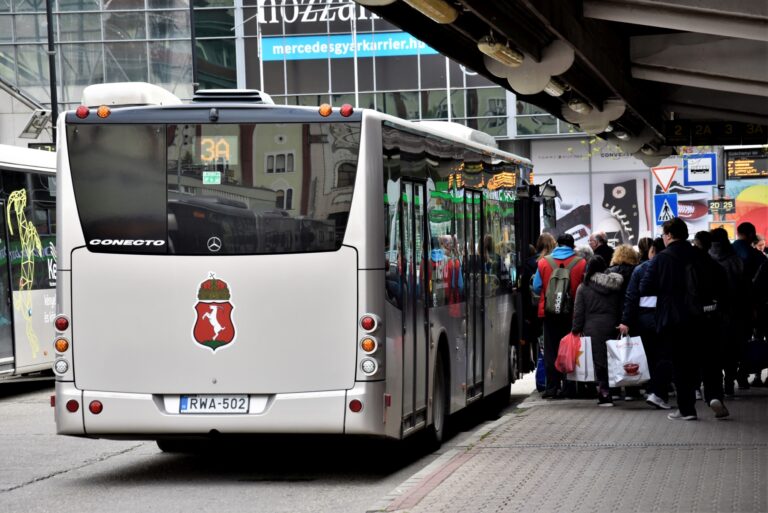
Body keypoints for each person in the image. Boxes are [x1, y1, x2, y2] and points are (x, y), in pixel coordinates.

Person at [639, 217, 729, 420]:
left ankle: (687, 409)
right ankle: (715, 396)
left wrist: (666, 289)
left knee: (681, 364)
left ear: (669, 235)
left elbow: (645, 287)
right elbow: (720, 280)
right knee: (709, 359)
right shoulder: (700, 255)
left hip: (674, 319)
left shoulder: (661, 258)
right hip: (704, 316)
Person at [533, 233, 587, 399]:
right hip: (571, 313)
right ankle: (569, 387)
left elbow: (536, 287)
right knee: (570, 348)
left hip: (549, 313)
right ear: (572, 246)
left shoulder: (543, 262)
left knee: (551, 350)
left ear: (557, 245)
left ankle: (552, 388)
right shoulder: (581, 263)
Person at [619, 237, 672, 409]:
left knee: (648, 355)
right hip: (666, 318)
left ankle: (651, 389)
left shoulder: (640, 270)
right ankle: (659, 391)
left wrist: (626, 320)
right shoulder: (669, 268)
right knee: (664, 356)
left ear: (651, 251)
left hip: (643, 319)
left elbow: (631, 297)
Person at [571, 255, 624, 406]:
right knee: (613, 358)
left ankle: (604, 393)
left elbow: (578, 312)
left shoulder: (584, 287)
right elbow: (621, 306)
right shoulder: (615, 285)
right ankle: (615, 390)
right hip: (613, 325)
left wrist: (576, 329)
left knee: (599, 362)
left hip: (593, 328)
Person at [709, 227, 749, 394]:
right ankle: (730, 383)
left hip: (710, 312)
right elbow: (745, 286)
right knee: (731, 348)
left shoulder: (706, 259)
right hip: (733, 311)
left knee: (713, 349)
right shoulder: (735, 259)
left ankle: (714, 385)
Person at [731, 222, 766, 388]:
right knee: (749, 340)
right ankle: (744, 374)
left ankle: (729, 378)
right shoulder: (756, 256)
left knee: (731, 342)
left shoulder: (728, 252)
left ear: (738, 233)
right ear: (751, 234)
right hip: (750, 305)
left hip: (728, 306)